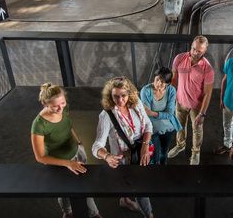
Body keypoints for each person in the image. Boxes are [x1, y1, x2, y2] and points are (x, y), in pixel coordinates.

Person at [31, 83, 101, 218]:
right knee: (64, 192)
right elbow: (40, 157)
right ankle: (68, 212)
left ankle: (94, 214)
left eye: (62, 103)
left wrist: (78, 142)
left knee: (84, 187)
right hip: (58, 163)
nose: (60, 108)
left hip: (76, 154)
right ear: (45, 104)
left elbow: (68, 125)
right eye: (55, 106)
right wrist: (67, 163)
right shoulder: (38, 125)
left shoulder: (63, 108)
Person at [92, 76, 154, 218]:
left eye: (123, 96)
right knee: (140, 189)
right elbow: (96, 146)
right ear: (110, 96)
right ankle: (149, 215)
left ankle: (124, 200)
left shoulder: (136, 103)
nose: (120, 100)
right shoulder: (106, 115)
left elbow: (148, 126)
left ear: (129, 93)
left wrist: (145, 146)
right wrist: (107, 156)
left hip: (141, 152)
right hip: (123, 160)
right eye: (115, 96)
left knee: (129, 184)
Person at [167, 35, 214, 165]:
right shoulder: (179, 58)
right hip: (180, 102)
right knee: (179, 126)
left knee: (197, 130)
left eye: (199, 51)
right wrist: (170, 101)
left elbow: (208, 93)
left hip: (196, 106)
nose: (195, 52)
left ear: (204, 51)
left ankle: (195, 152)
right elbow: (174, 81)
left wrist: (202, 113)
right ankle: (180, 145)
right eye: (193, 49)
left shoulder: (207, 69)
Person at [140, 67, 183, 165]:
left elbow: (170, 113)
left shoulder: (171, 90)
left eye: (162, 82)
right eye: (157, 79)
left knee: (164, 152)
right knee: (155, 156)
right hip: (152, 127)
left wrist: (153, 113)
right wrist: (161, 114)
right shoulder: (145, 91)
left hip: (168, 126)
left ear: (167, 83)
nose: (158, 83)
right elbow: (147, 114)